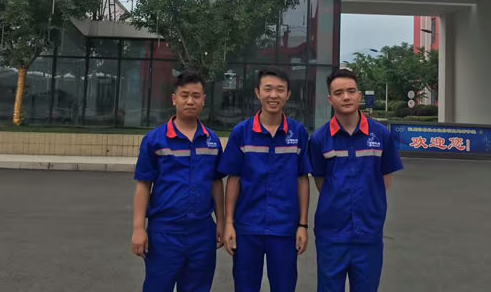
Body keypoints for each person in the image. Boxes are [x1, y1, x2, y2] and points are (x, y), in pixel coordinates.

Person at [309, 68, 403, 292]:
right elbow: (321, 182)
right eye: (339, 93)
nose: (346, 97)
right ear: (330, 99)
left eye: (351, 91)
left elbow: (385, 179)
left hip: (368, 234)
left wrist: (368, 204)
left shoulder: (381, 135)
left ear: (359, 95)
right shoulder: (320, 139)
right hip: (331, 235)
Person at [219, 68, 311, 292]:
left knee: (284, 286)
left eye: (280, 90)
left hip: (285, 228)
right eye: (268, 89)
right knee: (245, 286)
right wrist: (229, 223)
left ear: (288, 94)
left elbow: (302, 180)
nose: (273, 95)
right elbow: (233, 180)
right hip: (247, 227)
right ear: (257, 92)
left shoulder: (298, 133)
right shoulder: (241, 133)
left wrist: (302, 225)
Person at [131, 71, 225, 292]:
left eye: (196, 95)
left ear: (204, 100)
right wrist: (138, 228)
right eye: (184, 95)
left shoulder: (211, 141)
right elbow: (144, 185)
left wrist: (221, 222)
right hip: (164, 232)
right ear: (174, 99)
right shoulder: (155, 140)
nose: (190, 101)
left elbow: (216, 183)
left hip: (202, 232)